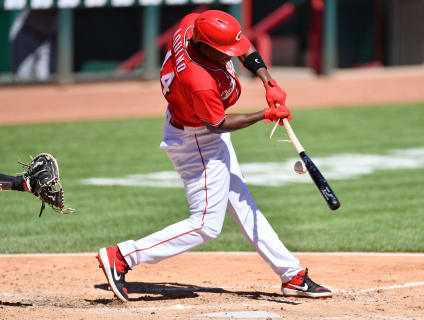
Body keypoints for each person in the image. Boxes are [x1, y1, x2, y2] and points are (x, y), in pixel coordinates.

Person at [97, 10, 332, 302]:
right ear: (205, 47)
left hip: (196, 128)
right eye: (224, 53)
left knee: (242, 202)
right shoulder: (199, 80)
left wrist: (268, 81)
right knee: (206, 225)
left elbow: (244, 47)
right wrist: (266, 114)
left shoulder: (192, 26)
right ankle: (122, 256)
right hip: (197, 141)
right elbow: (218, 124)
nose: (230, 57)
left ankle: (291, 275)